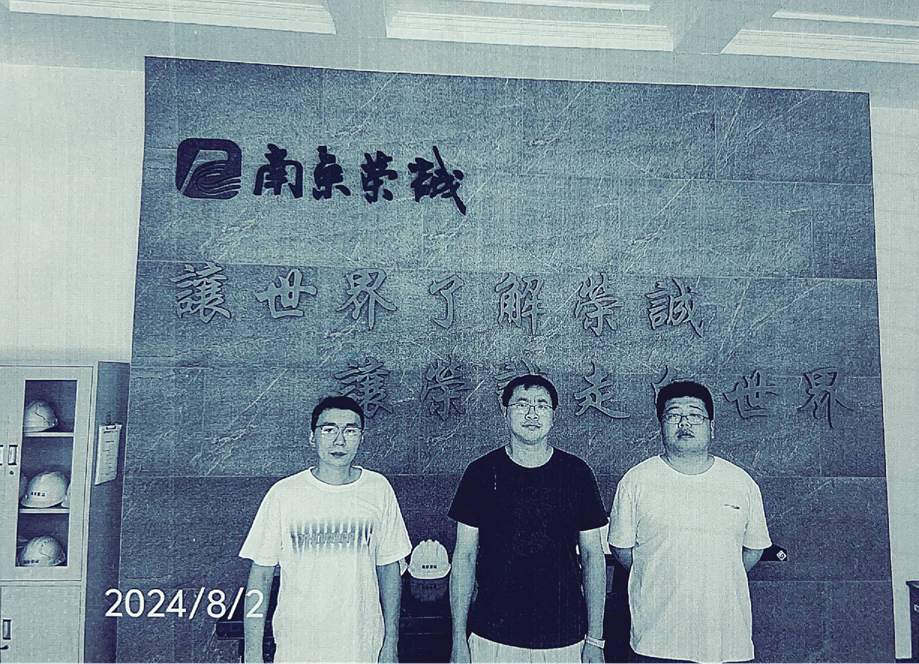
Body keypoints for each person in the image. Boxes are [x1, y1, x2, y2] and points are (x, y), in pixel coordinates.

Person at [239, 396, 412, 664]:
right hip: (298, 648)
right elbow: (260, 578)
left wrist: (390, 643)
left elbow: (389, 569)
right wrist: (253, 654)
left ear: (361, 438)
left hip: (362, 647)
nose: (339, 441)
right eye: (329, 429)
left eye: (350, 431)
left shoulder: (378, 489)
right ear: (312, 437)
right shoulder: (284, 494)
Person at [448, 374, 608, 664]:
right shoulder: (481, 473)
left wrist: (595, 639)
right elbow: (465, 556)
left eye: (542, 406)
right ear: (505, 411)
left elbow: (592, 556)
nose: (532, 414)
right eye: (522, 404)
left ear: (553, 416)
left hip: (565, 636)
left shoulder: (576, 474)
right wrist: (459, 638)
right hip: (492, 635)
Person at [608, 381, 771, 664]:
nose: (684, 423)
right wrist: (660, 572)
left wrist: (716, 572)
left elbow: (754, 548)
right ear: (661, 426)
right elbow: (622, 548)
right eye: (673, 415)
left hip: (727, 638)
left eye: (695, 415)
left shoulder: (740, 482)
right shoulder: (637, 481)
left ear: (711, 427)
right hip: (657, 639)